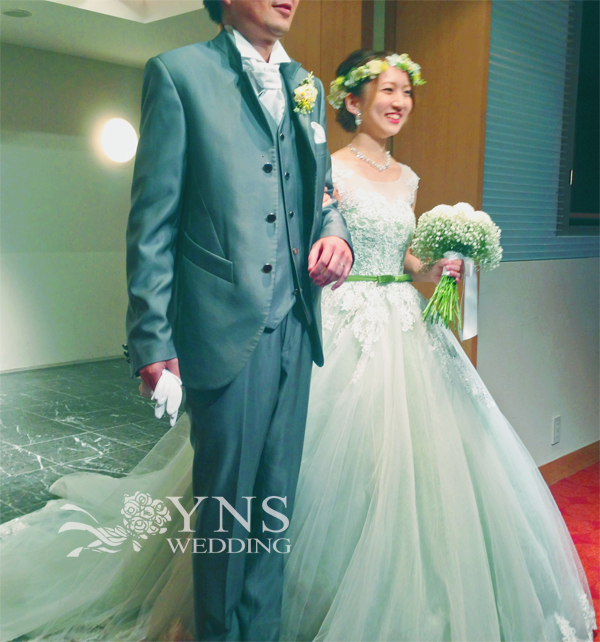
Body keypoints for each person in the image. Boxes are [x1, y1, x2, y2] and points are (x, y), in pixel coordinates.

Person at [279, 49, 597, 642]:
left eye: (407, 92)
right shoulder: (328, 166)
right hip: (345, 317)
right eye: (387, 90)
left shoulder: (407, 178)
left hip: (405, 317)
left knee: (422, 463)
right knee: (344, 459)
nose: (400, 102)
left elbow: (403, 258)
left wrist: (437, 267)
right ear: (352, 100)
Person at [125, 0, 353, 640]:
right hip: (223, 325)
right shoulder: (178, 75)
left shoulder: (306, 86)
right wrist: (151, 337)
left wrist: (337, 233)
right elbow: (152, 223)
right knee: (225, 514)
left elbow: (322, 191)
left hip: (296, 323)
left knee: (276, 506)